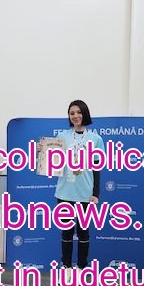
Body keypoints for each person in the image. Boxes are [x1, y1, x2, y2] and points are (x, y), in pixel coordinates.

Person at [52, 100, 103, 271]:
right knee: (66, 232)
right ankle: (66, 267)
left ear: (85, 114)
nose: (75, 116)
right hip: (64, 192)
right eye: (72, 113)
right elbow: (54, 164)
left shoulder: (96, 139)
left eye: (79, 112)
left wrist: (95, 193)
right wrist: (43, 152)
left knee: (83, 232)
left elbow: (97, 168)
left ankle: (81, 268)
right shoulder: (62, 137)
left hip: (85, 194)